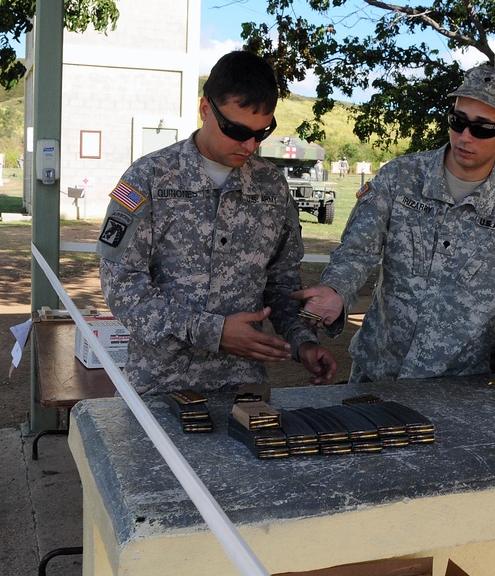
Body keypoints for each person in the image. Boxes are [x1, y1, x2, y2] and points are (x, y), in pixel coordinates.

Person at [293, 66, 495, 389]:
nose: (465, 136)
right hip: (379, 373)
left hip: (463, 385)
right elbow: (357, 252)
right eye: (458, 121)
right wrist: (336, 291)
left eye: (482, 129)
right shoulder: (399, 178)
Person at [97, 50, 337, 395]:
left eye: (262, 132)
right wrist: (213, 332)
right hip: (161, 386)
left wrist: (302, 342)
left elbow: (281, 282)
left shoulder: (271, 185)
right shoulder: (149, 177)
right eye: (236, 130)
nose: (250, 145)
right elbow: (121, 286)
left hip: (244, 387)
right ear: (206, 109)